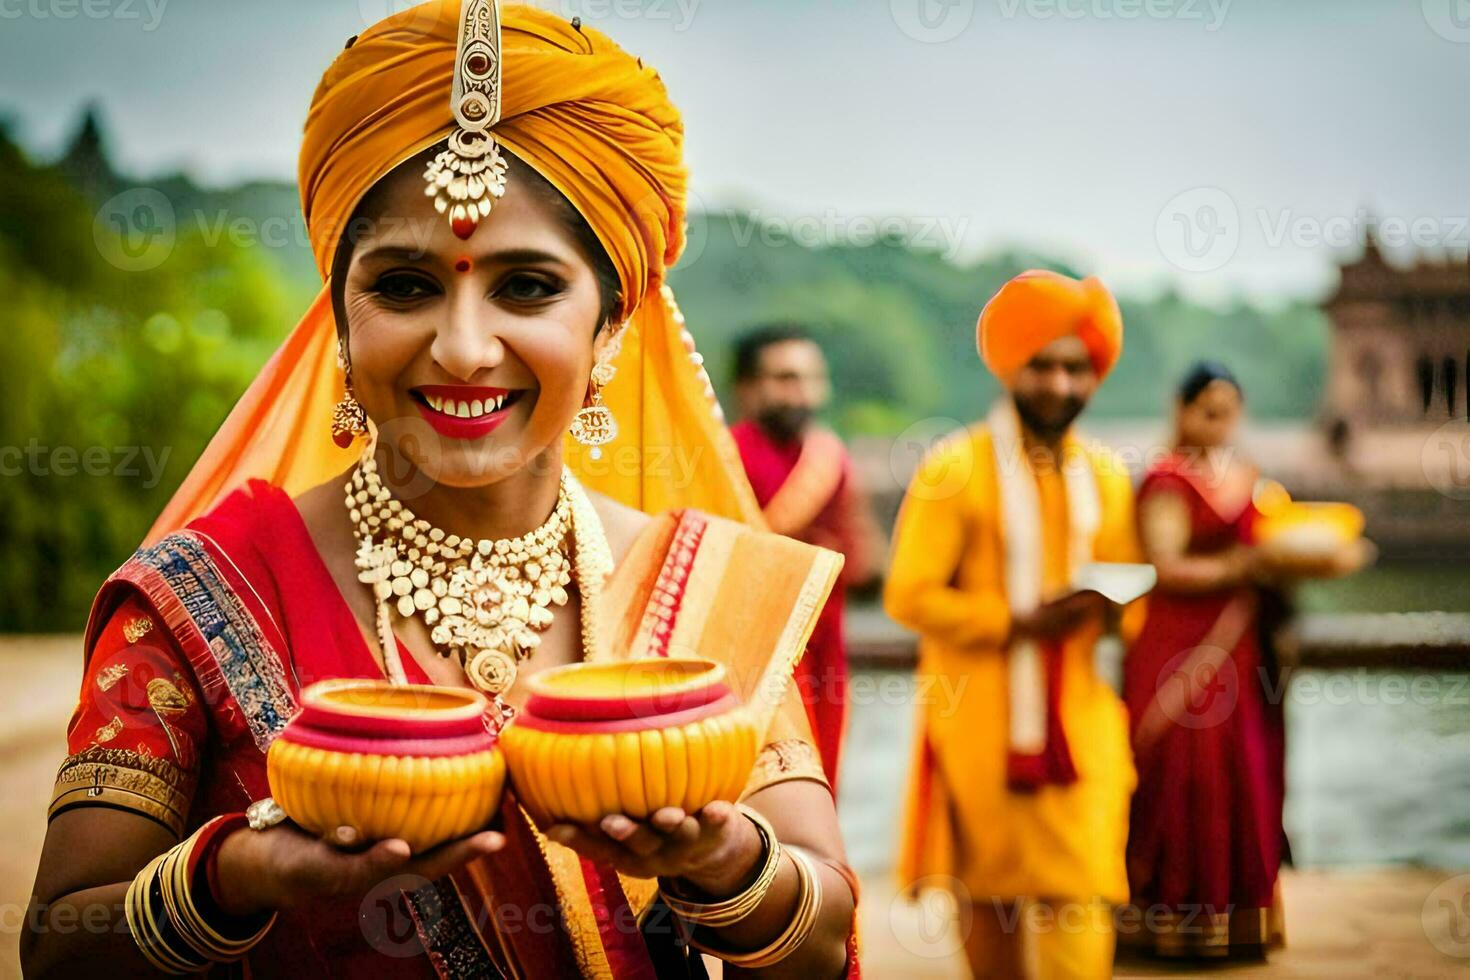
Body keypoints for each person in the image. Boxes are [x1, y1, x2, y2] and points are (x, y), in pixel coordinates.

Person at [22, 4, 859, 977]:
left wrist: (723, 859)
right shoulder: (201, 595)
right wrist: (239, 873)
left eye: (529, 286)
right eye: (406, 285)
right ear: (339, 320)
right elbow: (60, 942)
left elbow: (824, 934)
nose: (462, 347)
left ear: (610, 330)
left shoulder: (711, 590)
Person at [884, 270, 1142, 979]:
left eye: (1076, 368)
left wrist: (1117, 606)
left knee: (1084, 888)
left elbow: (1133, 595)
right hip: (978, 720)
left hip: (1082, 720)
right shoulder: (954, 468)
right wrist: (1016, 620)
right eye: (1043, 365)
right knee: (987, 892)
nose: (1060, 385)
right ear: (1009, 369)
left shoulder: (1108, 475)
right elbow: (909, 596)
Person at [1121, 361, 1287, 959]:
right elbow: (1165, 565)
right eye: (1207, 412)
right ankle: (1161, 920)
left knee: (1237, 770)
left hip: (1237, 648)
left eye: (1229, 413)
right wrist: (1243, 569)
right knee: (1178, 770)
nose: (1218, 425)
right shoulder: (1168, 479)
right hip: (1177, 644)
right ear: (1182, 410)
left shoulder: (1246, 476)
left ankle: (1236, 918)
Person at [729, 325, 882, 789]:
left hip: (823, 650)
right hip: (750, 649)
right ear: (748, 389)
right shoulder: (725, 456)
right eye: (785, 379)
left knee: (821, 770)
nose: (802, 393)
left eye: (812, 379)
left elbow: (865, 565)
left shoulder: (828, 456)